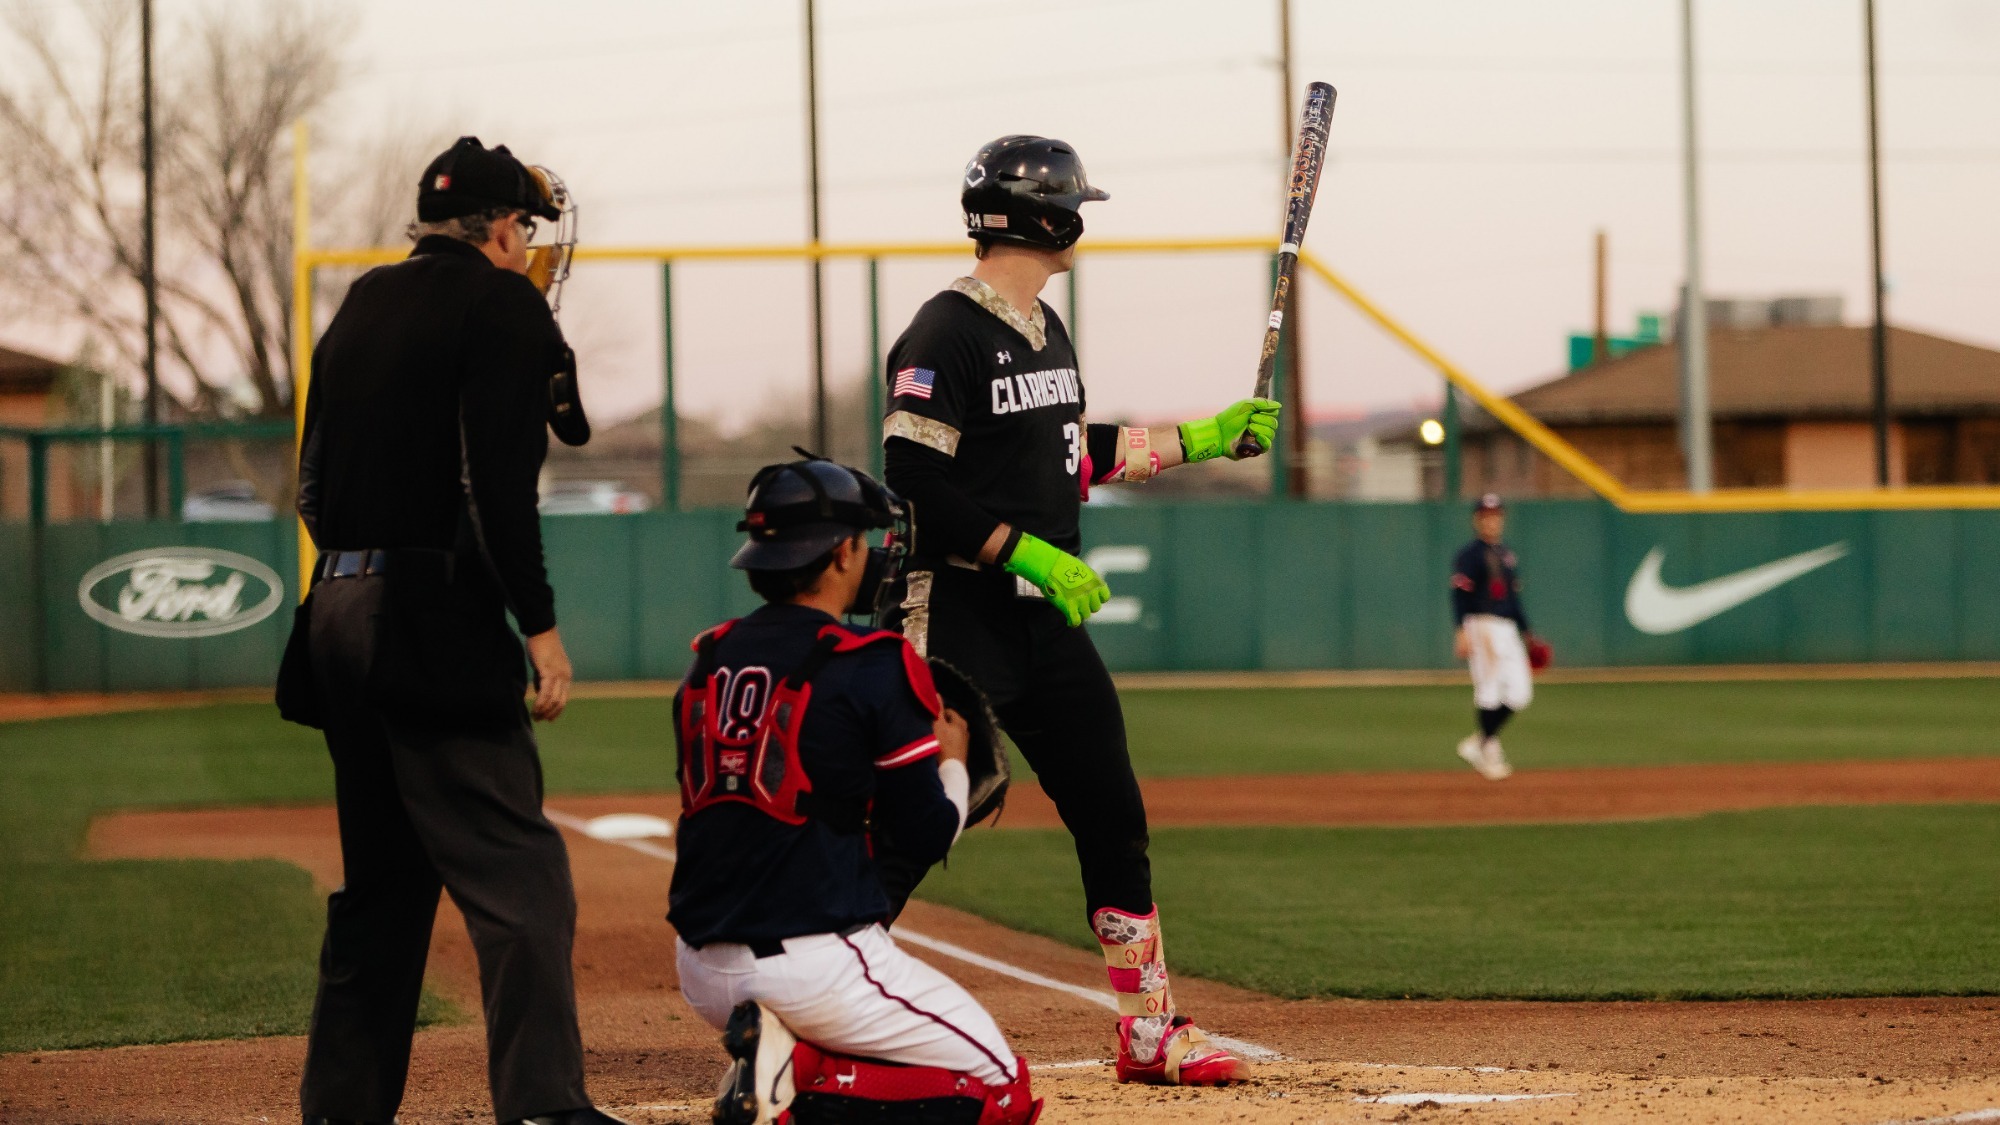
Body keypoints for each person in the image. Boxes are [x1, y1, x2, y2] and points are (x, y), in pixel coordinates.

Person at [876, 135, 1281, 1087]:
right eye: (1074, 205)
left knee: (1111, 807)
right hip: (958, 613)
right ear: (1043, 216)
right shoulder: (945, 331)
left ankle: (1148, 1029)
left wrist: (1201, 439)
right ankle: (797, 1005)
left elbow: (1072, 450)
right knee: (918, 818)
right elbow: (913, 478)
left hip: (1041, 622)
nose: (1082, 219)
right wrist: (1023, 550)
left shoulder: (1044, 329)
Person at [281, 136, 622, 1125]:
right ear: (503, 227)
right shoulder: (501, 304)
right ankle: (544, 1107)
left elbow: (309, 488)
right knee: (524, 881)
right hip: (421, 616)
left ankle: (341, 1111)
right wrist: (540, 625)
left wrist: (366, 560)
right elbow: (495, 488)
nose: (532, 249)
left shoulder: (362, 301)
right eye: (528, 229)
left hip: (335, 611)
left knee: (383, 892)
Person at [670, 456, 1041, 1125]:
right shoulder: (873, 661)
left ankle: (784, 1062)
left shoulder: (710, 656)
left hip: (698, 965)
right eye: (862, 540)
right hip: (809, 964)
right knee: (1001, 1088)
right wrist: (952, 765)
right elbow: (926, 831)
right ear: (842, 551)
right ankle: (800, 1068)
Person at [1450, 493, 1536, 781]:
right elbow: (1460, 594)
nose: (1492, 521)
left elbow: (1515, 599)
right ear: (1477, 520)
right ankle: (1488, 750)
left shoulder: (1506, 554)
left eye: (1496, 515)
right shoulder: (1469, 554)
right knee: (1488, 688)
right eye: (1486, 516)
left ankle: (1480, 742)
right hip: (1482, 624)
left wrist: (1528, 634)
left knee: (1521, 694)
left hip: (1508, 627)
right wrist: (1461, 629)